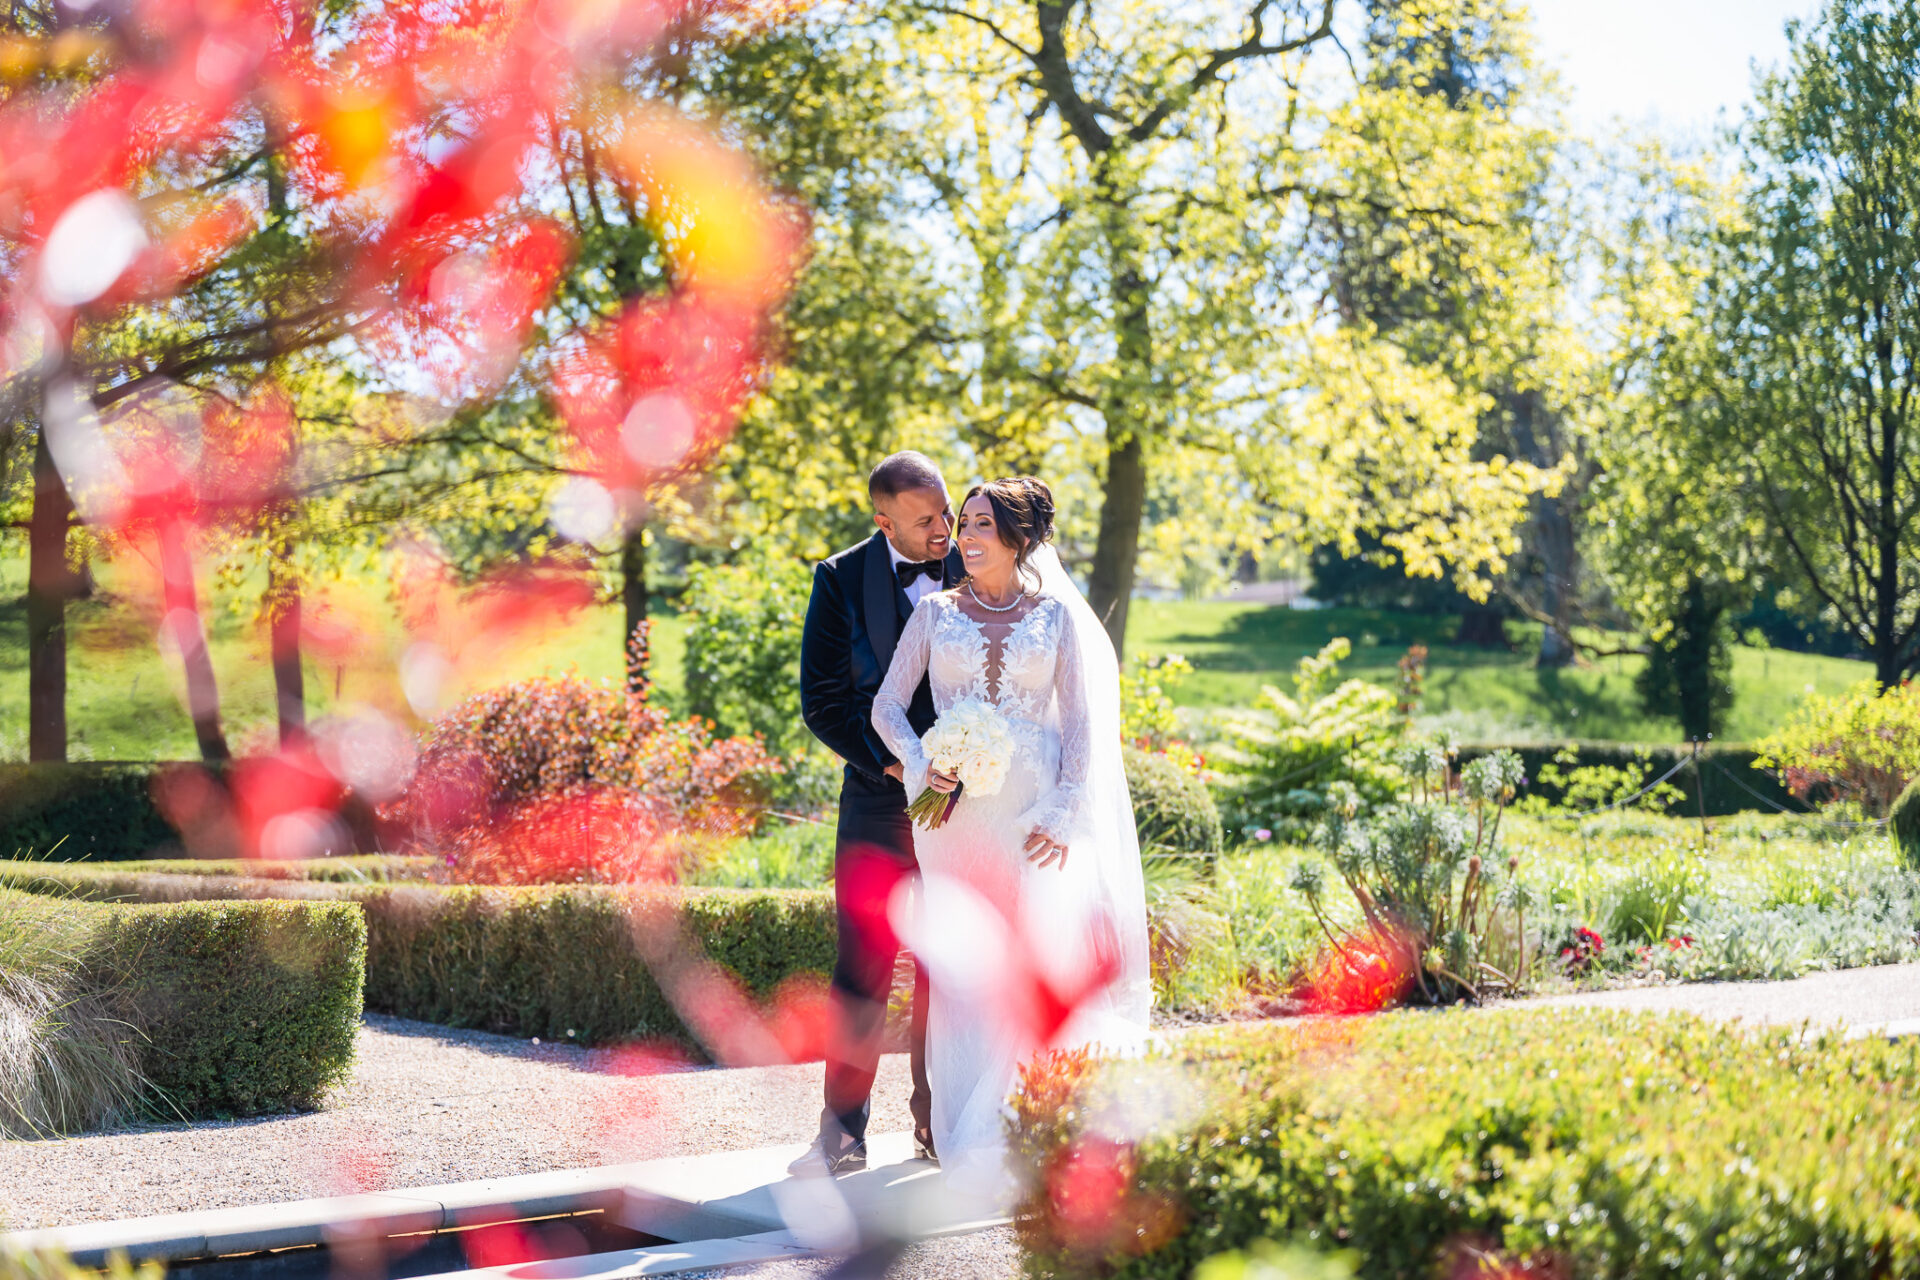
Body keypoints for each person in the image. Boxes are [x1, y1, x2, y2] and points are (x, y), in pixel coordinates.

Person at [870, 476, 1153, 1196]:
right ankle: (968, 1127)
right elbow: (888, 707)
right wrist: (926, 760)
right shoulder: (933, 615)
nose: (966, 537)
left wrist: (1063, 814)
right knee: (969, 970)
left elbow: (1085, 728)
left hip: (1033, 824)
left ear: (1019, 539)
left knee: (1035, 960)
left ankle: (1035, 1123)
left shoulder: (1055, 620)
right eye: (963, 524)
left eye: (982, 526)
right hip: (956, 825)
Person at [791, 451, 963, 1175]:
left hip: (964, 808)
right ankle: (842, 1133)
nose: (944, 531)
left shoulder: (976, 564)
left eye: (948, 512)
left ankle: (940, 1127)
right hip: (876, 800)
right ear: (882, 519)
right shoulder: (837, 580)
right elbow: (823, 702)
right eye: (926, 520)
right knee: (862, 966)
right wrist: (890, 763)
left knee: (949, 967)